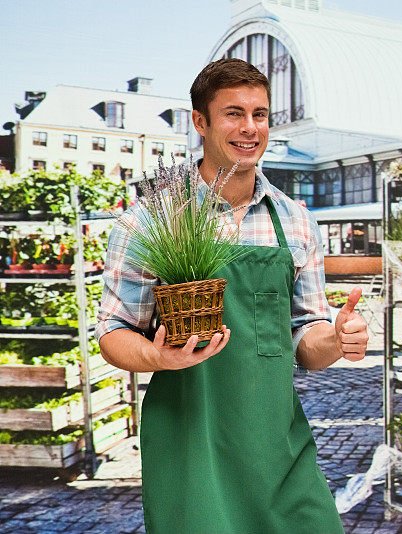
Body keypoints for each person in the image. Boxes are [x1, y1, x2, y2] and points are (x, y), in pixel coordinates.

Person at [96, 58, 368, 533]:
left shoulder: (296, 220)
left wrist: (337, 340)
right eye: (233, 113)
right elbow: (113, 332)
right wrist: (158, 356)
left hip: (276, 444)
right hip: (190, 444)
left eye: (259, 114)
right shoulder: (150, 219)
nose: (249, 128)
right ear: (200, 122)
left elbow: (307, 337)